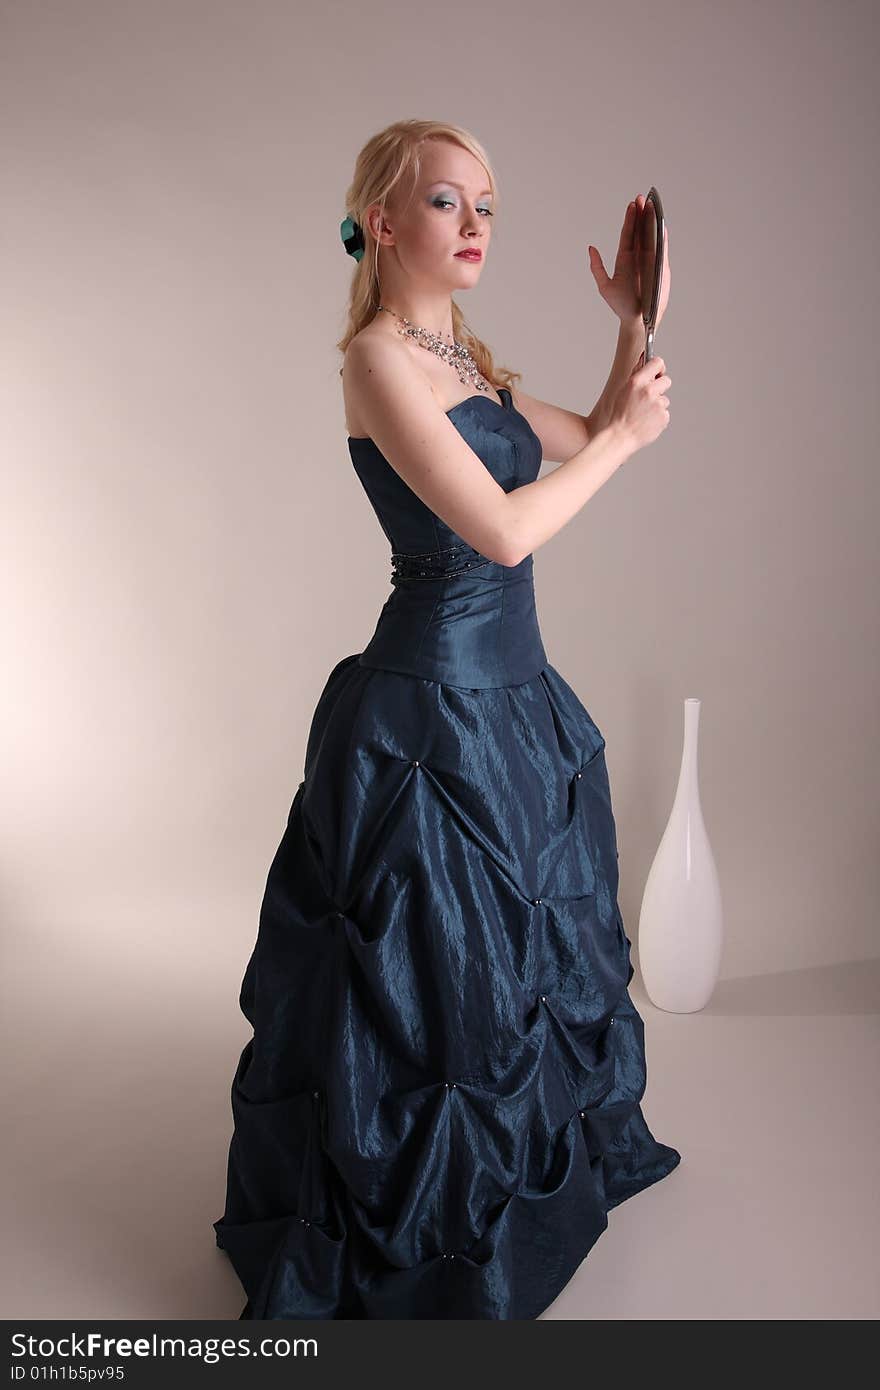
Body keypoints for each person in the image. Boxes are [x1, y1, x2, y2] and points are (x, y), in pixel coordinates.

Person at [212, 118, 679, 1320]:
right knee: (434, 989)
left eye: (487, 207)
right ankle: (423, 1232)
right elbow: (508, 528)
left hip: (515, 706)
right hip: (429, 723)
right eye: (445, 202)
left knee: (519, 970)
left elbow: (580, 434)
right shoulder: (377, 359)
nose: (474, 226)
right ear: (381, 218)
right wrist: (621, 439)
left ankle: (521, 1190)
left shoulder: (466, 360)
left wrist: (633, 321)